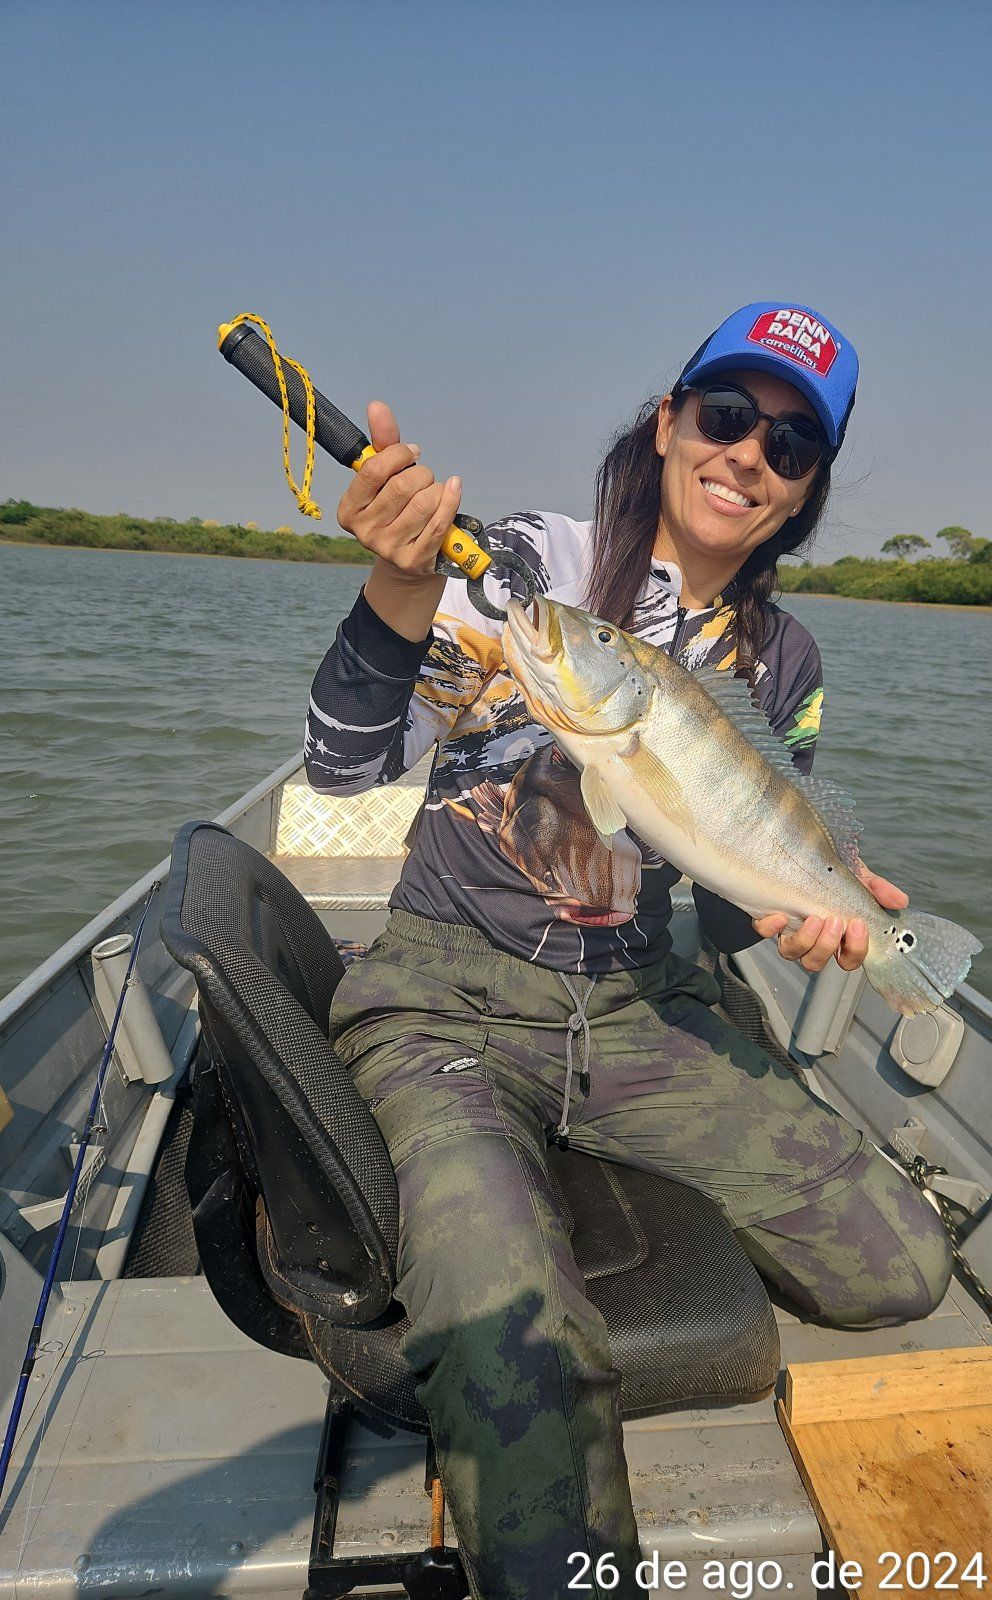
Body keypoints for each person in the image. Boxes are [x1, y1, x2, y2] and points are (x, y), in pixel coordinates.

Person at [304, 302, 952, 1599]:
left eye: (791, 444)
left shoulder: (784, 657)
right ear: (667, 423)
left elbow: (730, 897)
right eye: (727, 414)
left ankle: (592, 1166)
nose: (747, 454)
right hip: (444, 1000)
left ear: (807, 488)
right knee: (514, 1347)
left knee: (902, 1263)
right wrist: (401, 586)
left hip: (638, 1010)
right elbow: (342, 762)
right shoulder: (531, 566)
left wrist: (804, 917)